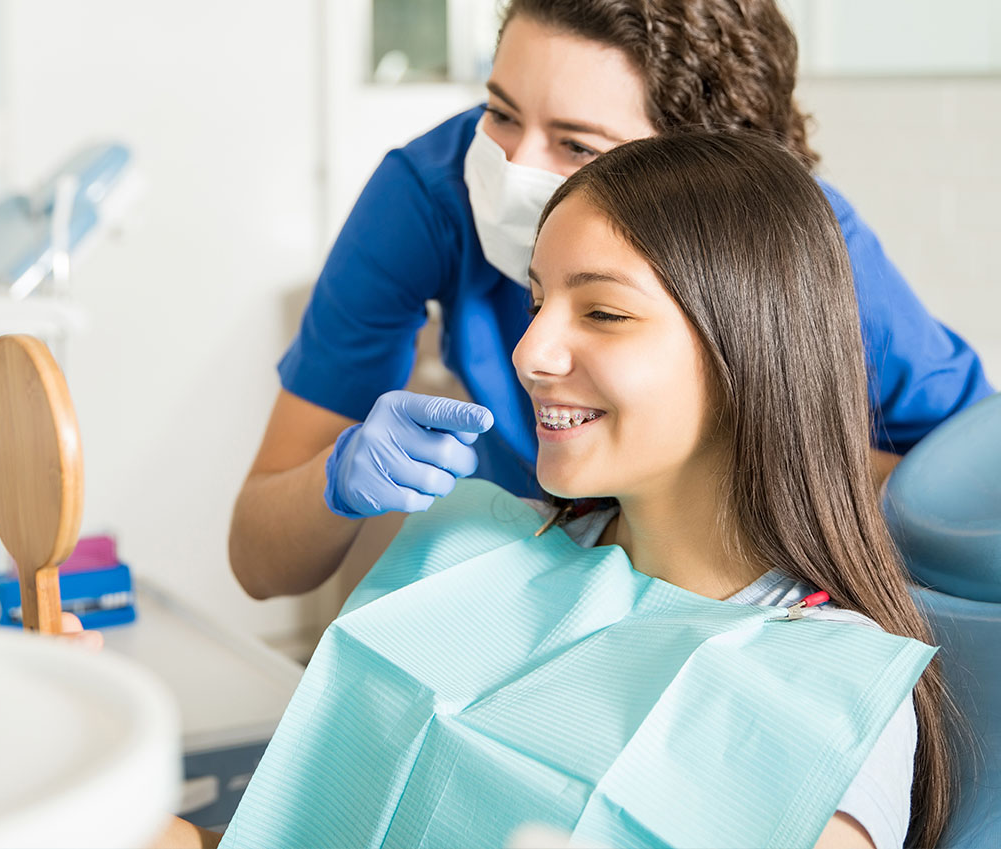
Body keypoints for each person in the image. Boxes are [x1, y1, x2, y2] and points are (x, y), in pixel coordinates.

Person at [157, 130, 953, 849]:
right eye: (536, 301)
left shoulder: (829, 691)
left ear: (749, 349)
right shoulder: (467, 549)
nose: (530, 350)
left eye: (602, 312)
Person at [228, 0, 992, 601]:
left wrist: (775, 456)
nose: (512, 167)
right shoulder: (434, 193)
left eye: (578, 146)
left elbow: (971, 492)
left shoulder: (799, 251)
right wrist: (338, 479)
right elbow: (261, 561)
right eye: (499, 112)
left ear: (705, 178)